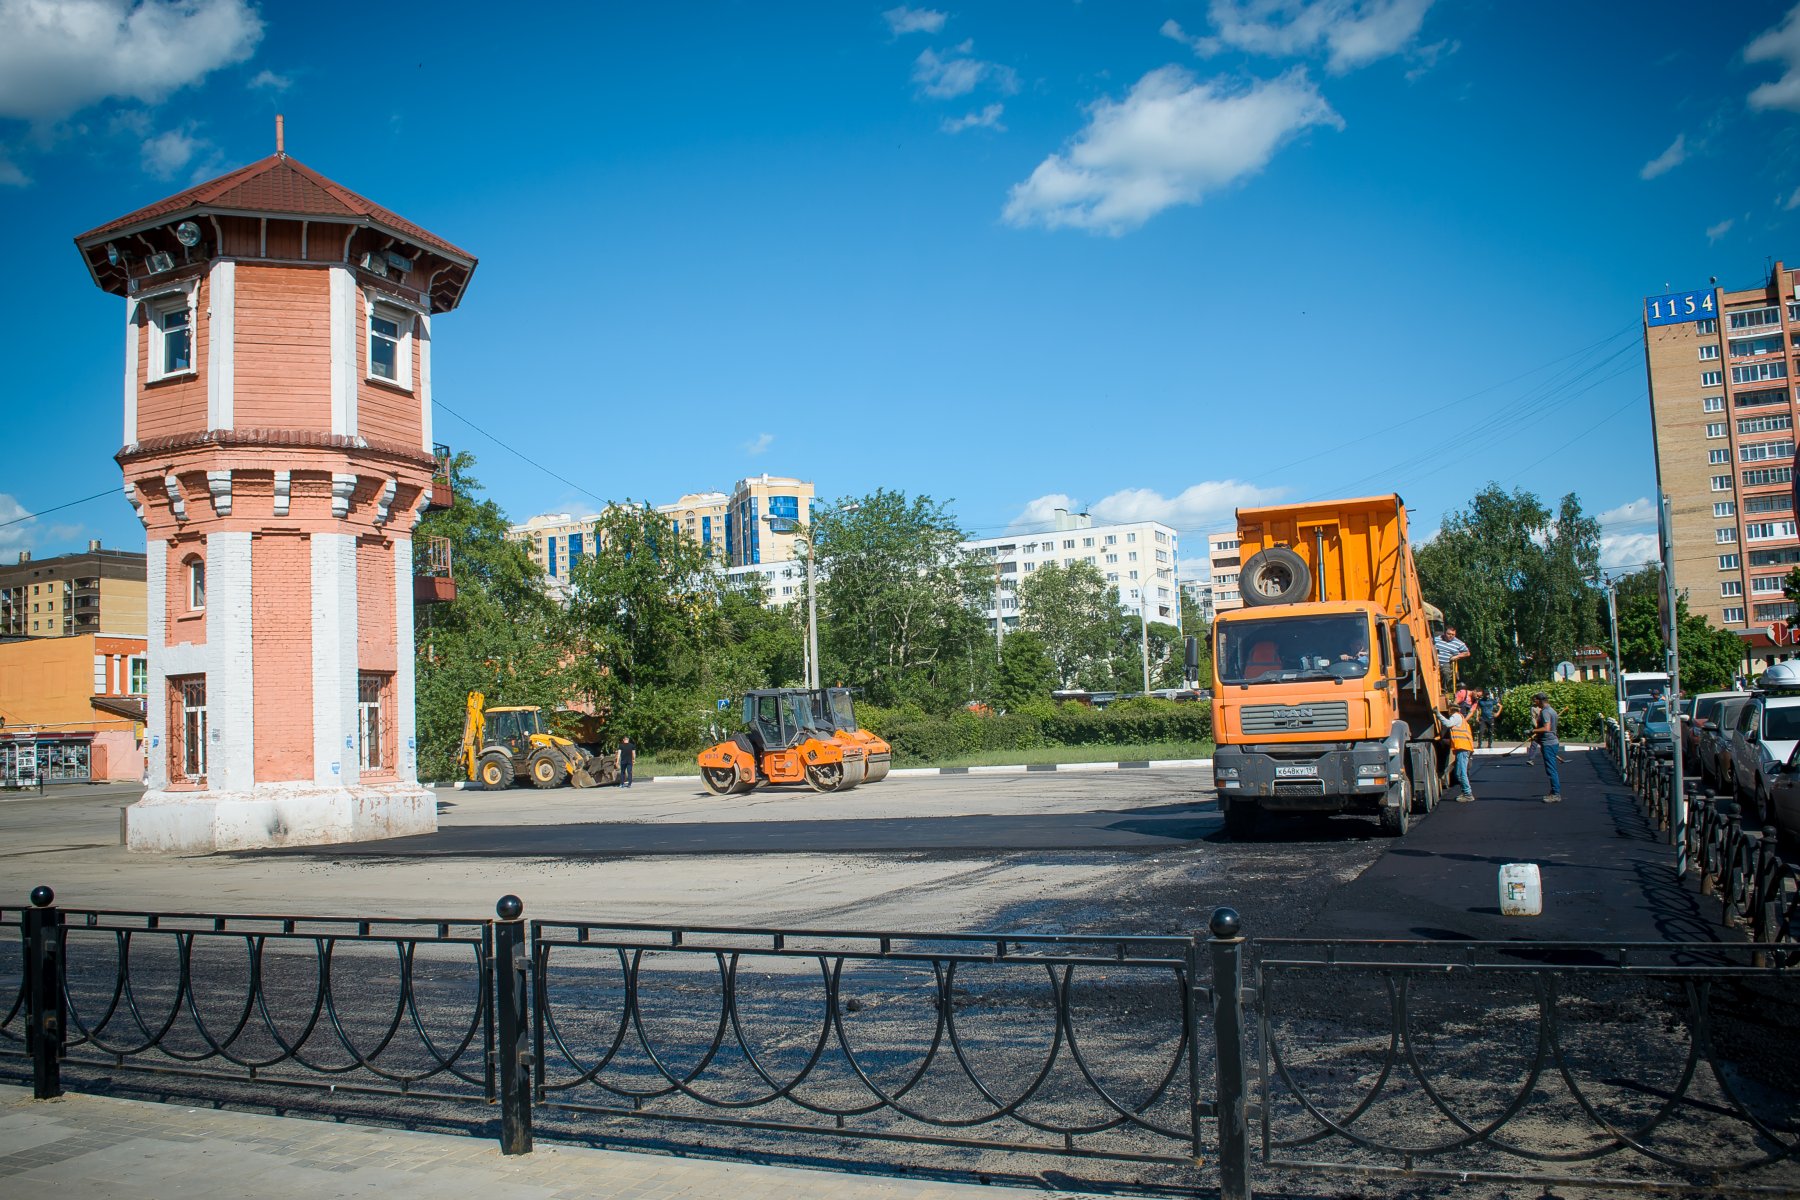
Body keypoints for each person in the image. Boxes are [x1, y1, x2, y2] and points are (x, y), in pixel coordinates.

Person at [1529, 692, 1560, 802]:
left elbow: (1546, 728)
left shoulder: (1546, 712)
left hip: (1549, 743)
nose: (1534, 703)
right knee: (1551, 768)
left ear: (1540, 700)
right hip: (1552, 741)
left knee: (1551, 769)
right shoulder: (1552, 710)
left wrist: (1532, 730)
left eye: (1535, 700)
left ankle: (1556, 794)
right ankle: (1554, 791)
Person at [1446, 708, 1475, 801]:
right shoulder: (1463, 720)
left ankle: (1468, 794)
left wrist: (1438, 714)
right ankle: (1465, 793)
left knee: (1462, 773)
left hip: (1463, 748)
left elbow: (1448, 723)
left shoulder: (1456, 717)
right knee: (1458, 773)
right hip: (1463, 748)